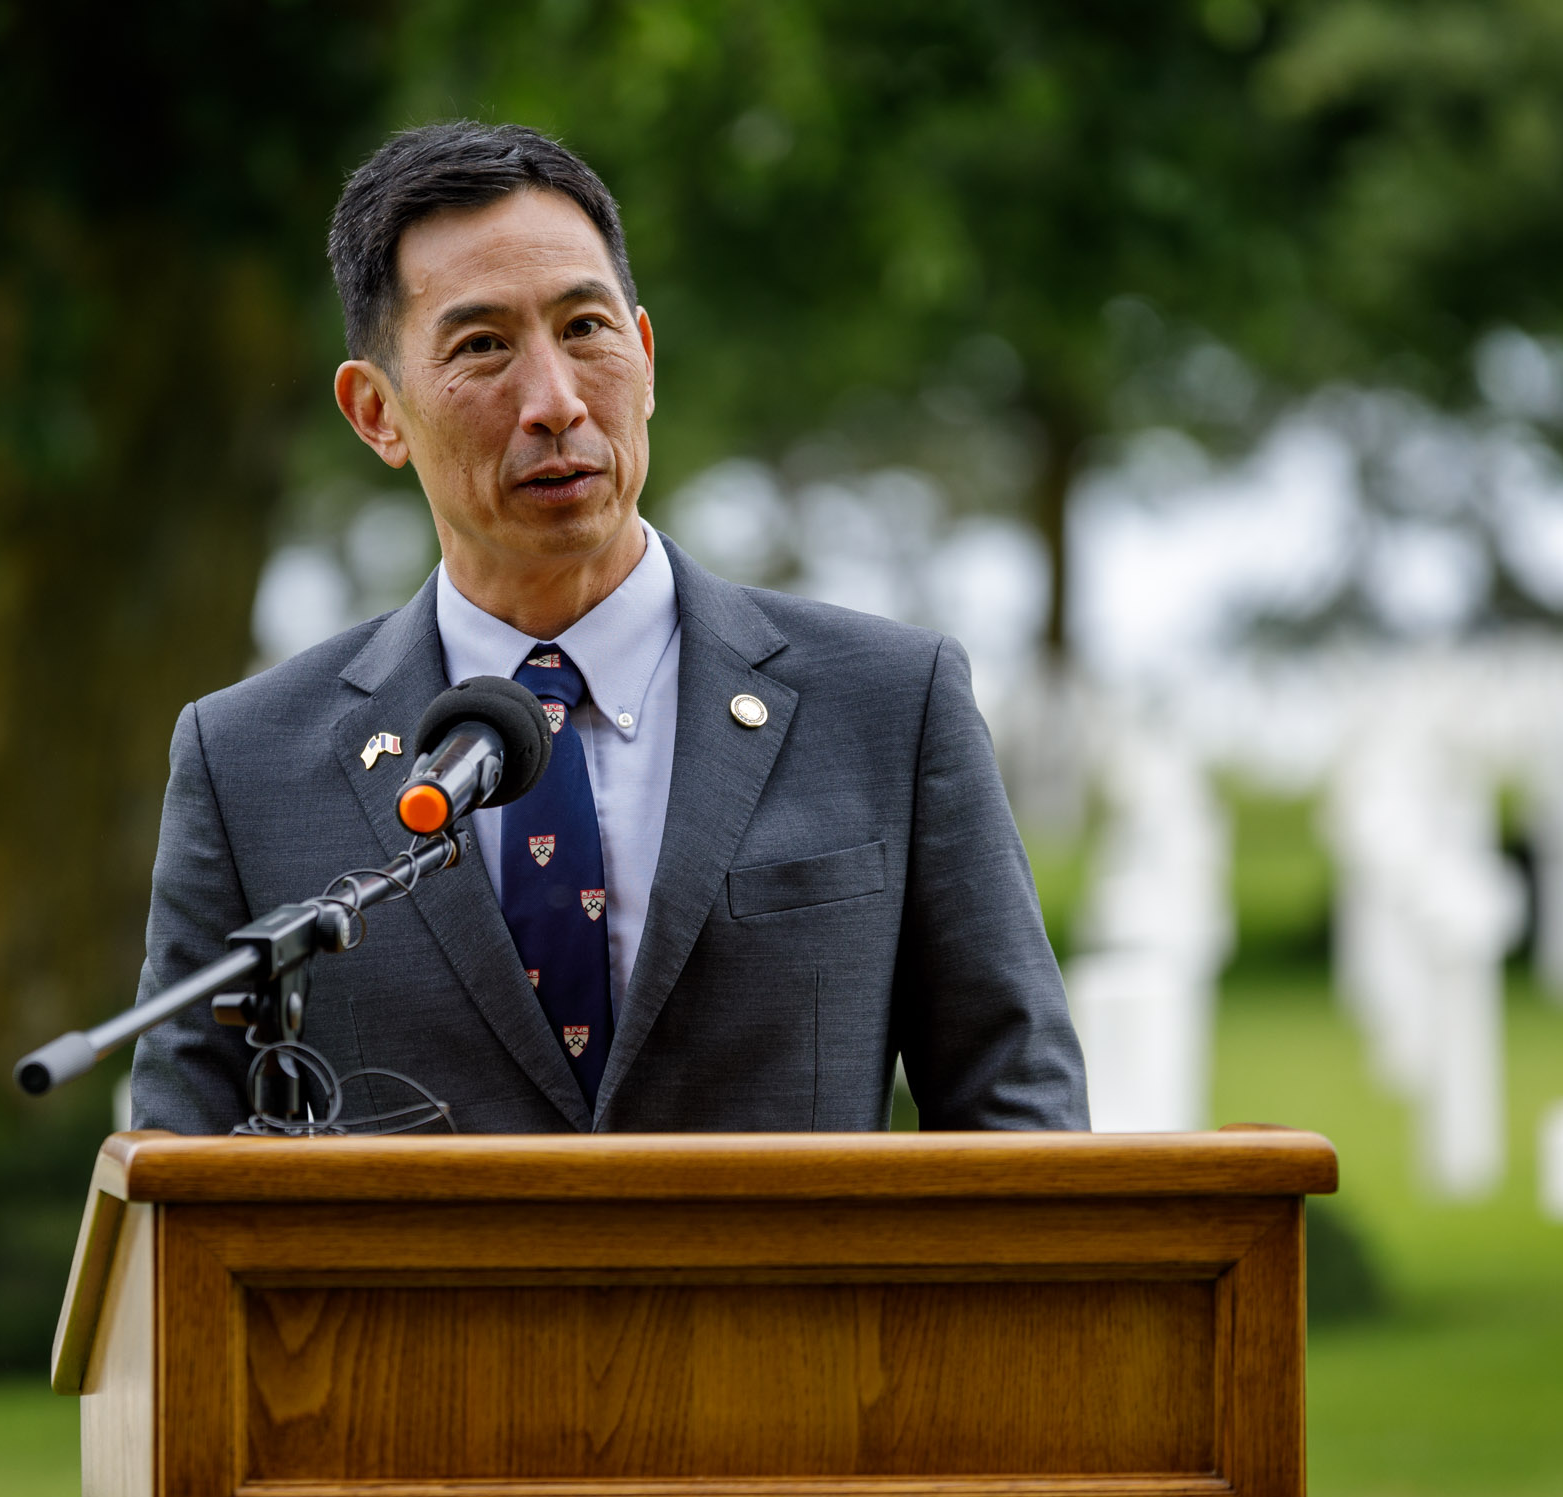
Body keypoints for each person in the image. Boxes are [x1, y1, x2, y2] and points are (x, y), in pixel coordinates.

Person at [130, 121, 1085, 1135]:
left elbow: (1015, 1111)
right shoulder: (247, 763)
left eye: (585, 329)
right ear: (376, 413)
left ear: (645, 354)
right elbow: (178, 1174)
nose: (554, 400)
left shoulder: (889, 704)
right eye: (483, 345)